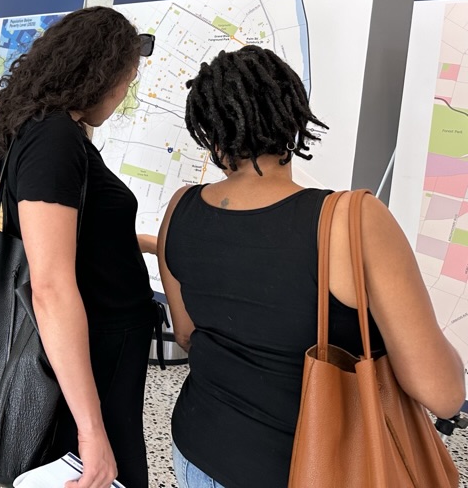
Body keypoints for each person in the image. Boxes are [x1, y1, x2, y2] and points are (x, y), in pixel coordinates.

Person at [157, 45, 465, 488]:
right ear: (293, 115)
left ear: (209, 131)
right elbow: (444, 393)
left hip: (197, 449)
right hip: (317, 469)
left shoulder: (179, 208)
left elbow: (186, 334)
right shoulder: (351, 220)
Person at [0, 6, 158, 488]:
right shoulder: (53, 140)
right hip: (85, 365)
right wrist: (91, 430)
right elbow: (52, 286)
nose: (123, 96)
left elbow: (74, 236)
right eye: (126, 81)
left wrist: (149, 244)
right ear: (98, 75)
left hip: (97, 357)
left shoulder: (52, 131)